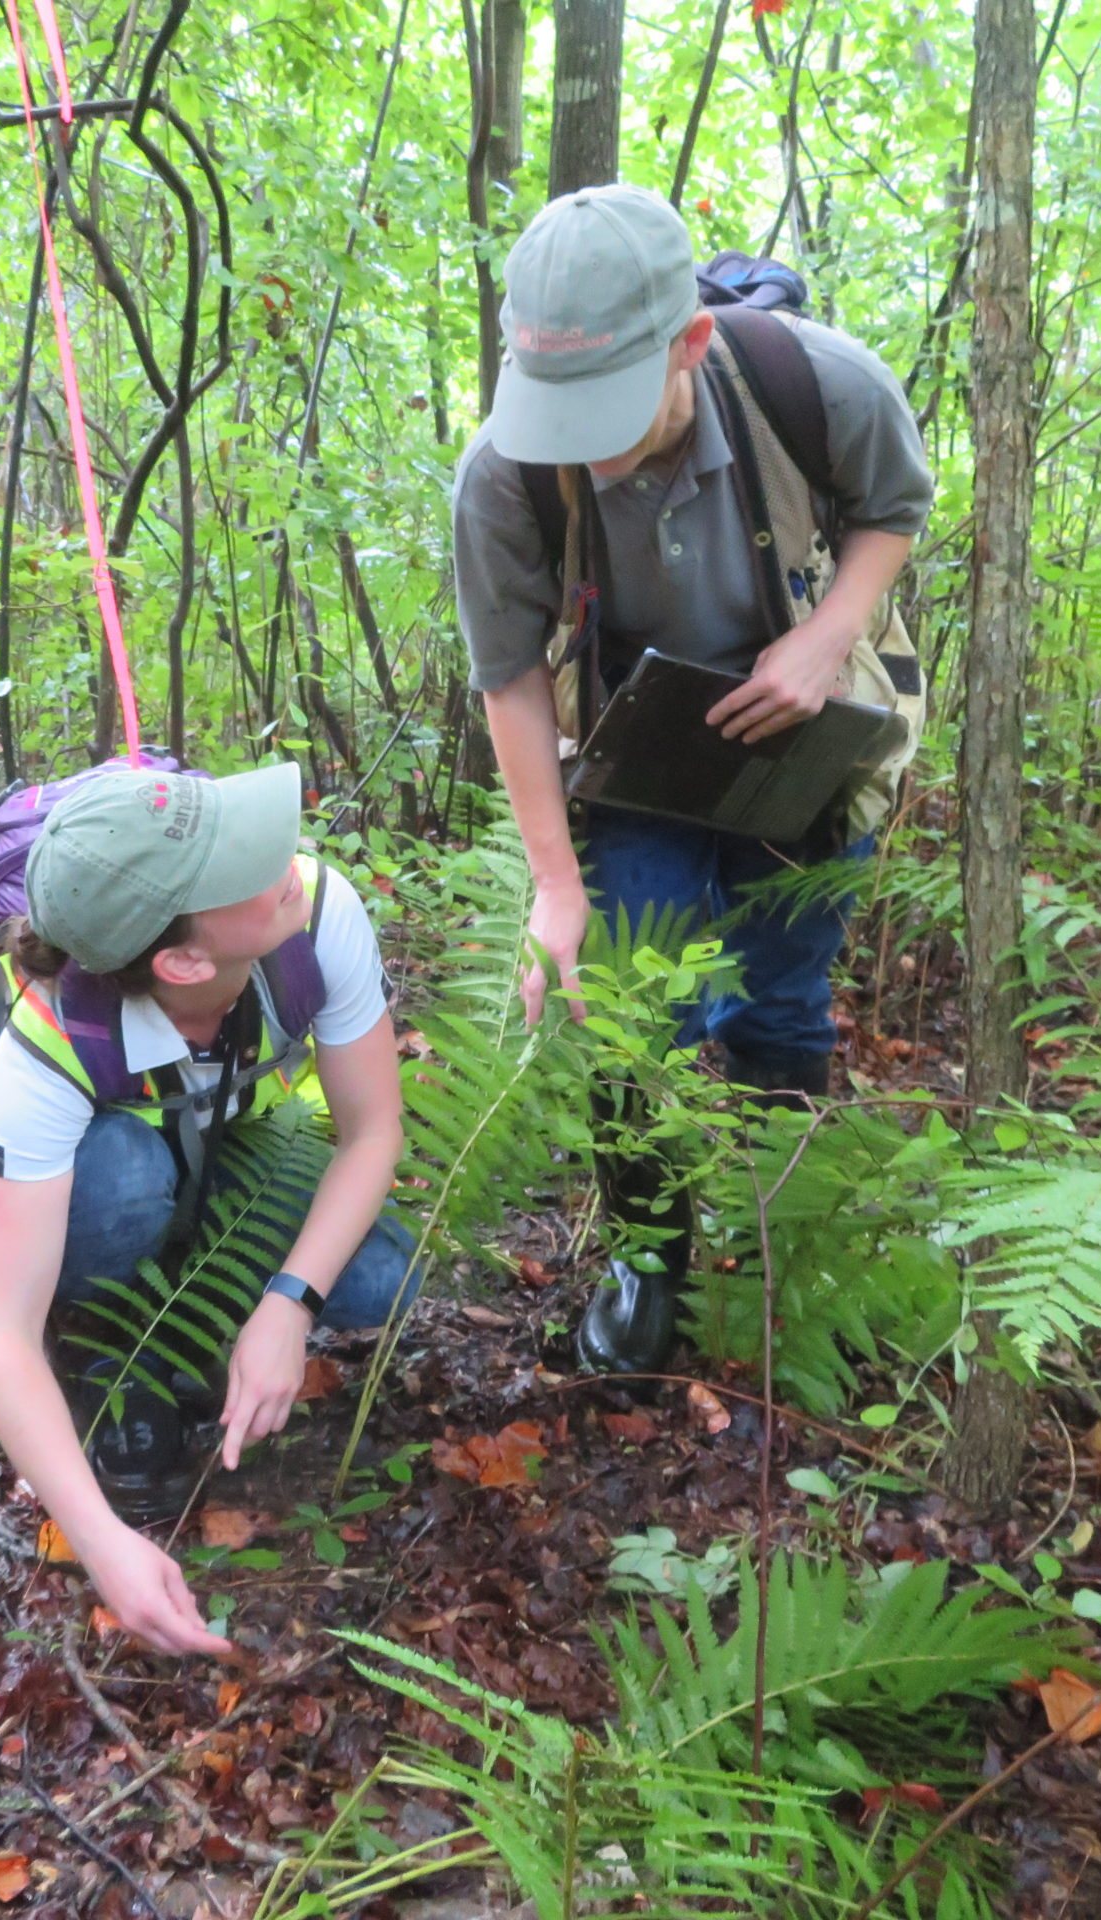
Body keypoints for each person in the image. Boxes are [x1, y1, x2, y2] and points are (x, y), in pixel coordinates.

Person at [450, 184, 933, 1378]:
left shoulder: (817, 383)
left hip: (803, 733)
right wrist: (551, 883)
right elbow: (508, 680)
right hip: (631, 748)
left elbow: (892, 510)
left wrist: (827, 637)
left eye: (606, 409)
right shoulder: (502, 475)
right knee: (628, 1010)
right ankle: (648, 1255)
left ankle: (782, 1229)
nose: (579, 444)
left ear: (689, 344)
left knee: (781, 995)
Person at [0, 761, 414, 1654]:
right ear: (183, 961)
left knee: (384, 1280)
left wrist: (289, 1302)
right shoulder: (47, 1050)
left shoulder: (318, 912)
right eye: (243, 862)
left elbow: (373, 1133)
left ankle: (205, 1318)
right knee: (125, 1176)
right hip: (102, 1184)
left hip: (218, 1145)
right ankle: (104, 1349)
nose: (286, 855)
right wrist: (106, 1548)